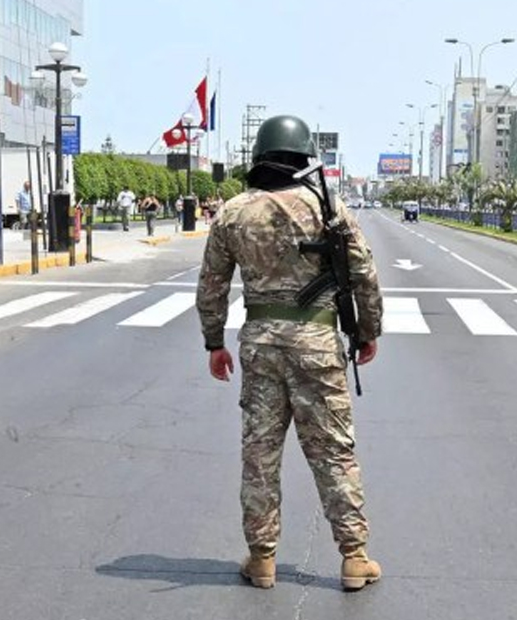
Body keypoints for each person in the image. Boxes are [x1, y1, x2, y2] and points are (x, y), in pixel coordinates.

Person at [195, 115, 385, 592]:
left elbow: (212, 285)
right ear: (304, 157)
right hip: (317, 347)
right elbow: (363, 275)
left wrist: (214, 342)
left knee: (260, 454)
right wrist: (368, 331)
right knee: (334, 453)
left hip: (259, 346)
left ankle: (262, 560)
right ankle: (354, 557)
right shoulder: (328, 208)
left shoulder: (233, 212)